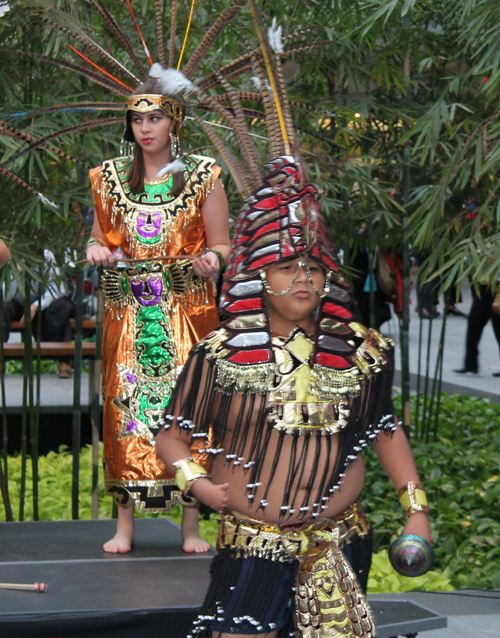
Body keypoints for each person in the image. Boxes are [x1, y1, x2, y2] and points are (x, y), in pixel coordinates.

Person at [156, 155, 432, 638]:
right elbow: (171, 436)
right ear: (258, 276)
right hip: (252, 542)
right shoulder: (217, 355)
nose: (303, 278)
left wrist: (417, 512)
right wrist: (196, 484)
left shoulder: (361, 352)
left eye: (313, 268)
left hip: (339, 538)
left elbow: (385, 432)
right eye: (286, 266)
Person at [86, 79, 230, 554]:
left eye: (155, 118)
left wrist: (212, 260)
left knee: (188, 412)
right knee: (125, 411)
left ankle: (191, 528)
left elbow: (222, 245)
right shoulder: (110, 178)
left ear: (175, 122)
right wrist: (97, 252)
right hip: (129, 311)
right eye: (137, 119)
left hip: (185, 313)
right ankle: (124, 526)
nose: (145, 128)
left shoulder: (203, 176)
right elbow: (98, 239)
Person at [2, 250, 74, 378]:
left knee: (63, 307)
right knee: (3, 309)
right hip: (18, 303)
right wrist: (16, 273)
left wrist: (36, 306)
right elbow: (6, 296)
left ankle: (64, 360)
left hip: (42, 304)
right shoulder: (10, 253)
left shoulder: (46, 255)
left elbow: (58, 289)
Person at [454, 283, 500, 376]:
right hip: (482, 289)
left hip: (498, 289)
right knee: (473, 322)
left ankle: (470, 364)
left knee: (499, 329)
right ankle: (470, 364)